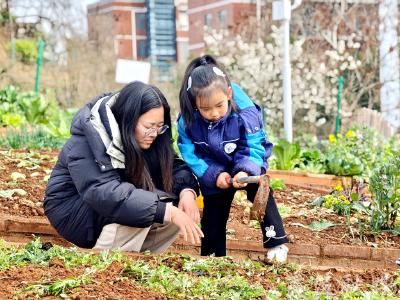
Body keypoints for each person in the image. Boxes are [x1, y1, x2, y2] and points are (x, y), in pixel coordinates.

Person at [44, 81, 203, 253]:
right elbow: (104, 193)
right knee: (143, 211)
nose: (154, 134)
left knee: (175, 206)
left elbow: (172, 166)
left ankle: (143, 260)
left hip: (106, 203)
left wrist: (187, 192)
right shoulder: (90, 137)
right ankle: (106, 262)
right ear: (128, 119)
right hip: (73, 211)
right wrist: (167, 211)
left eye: (160, 127)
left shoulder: (152, 136)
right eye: (149, 127)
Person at [177, 54, 289, 262]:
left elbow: (254, 145)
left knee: (259, 189)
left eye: (220, 105)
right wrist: (213, 174)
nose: (215, 113)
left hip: (246, 158)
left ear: (228, 94)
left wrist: (245, 169)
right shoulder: (187, 121)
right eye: (205, 109)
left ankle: (276, 244)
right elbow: (191, 154)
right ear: (194, 104)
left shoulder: (245, 111)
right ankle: (213, 257)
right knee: (213, 211)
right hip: (213, 163)